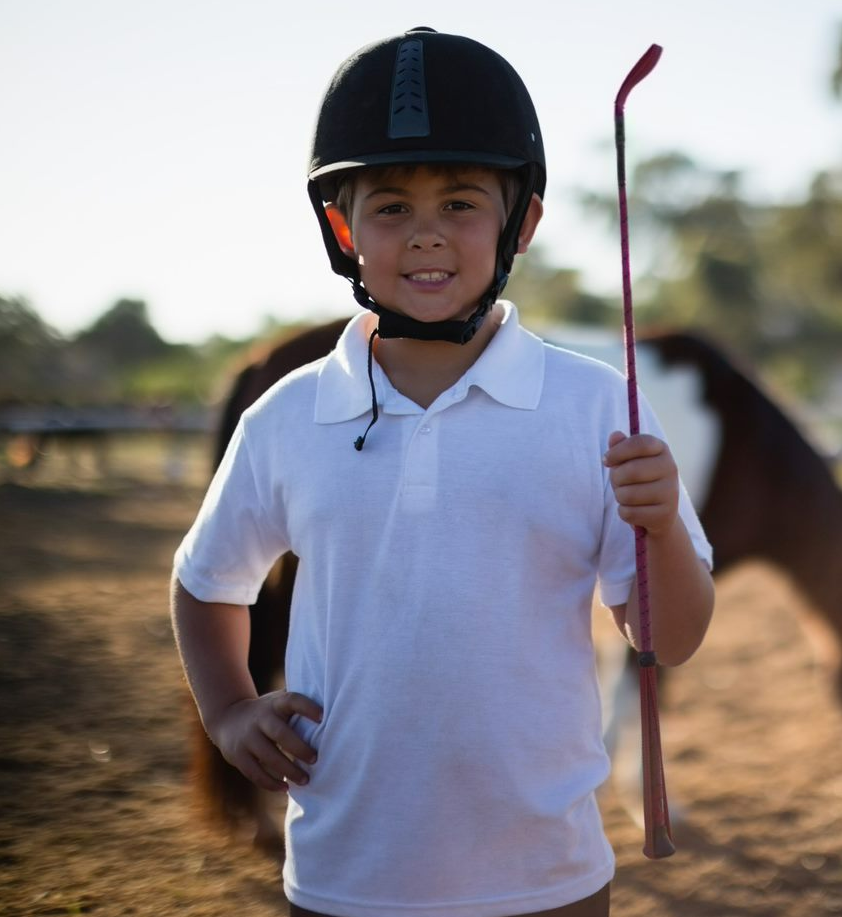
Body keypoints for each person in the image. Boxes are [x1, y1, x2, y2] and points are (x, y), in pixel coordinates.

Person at [170, 27, 714, 917]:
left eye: (461, 202)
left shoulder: (594, 408)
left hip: (549, 879)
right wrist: (229, 710)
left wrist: (657, 527)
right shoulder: (287, 417)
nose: (426, 235)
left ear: (521, 223)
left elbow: (670, 638)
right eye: (390, 208)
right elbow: (204, 581)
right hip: (344, 879)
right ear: (342, 228)